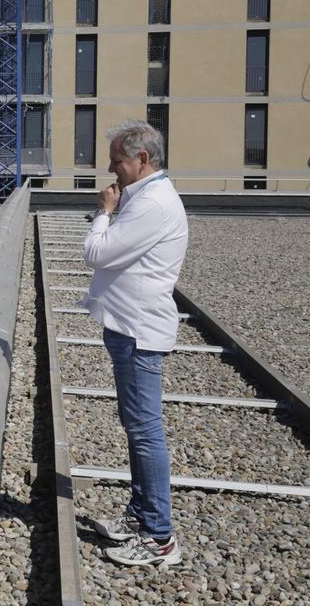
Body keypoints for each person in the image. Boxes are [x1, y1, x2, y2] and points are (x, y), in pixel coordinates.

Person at [81, 120, 187, 568]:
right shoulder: (144, 197)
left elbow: (97, 253)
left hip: (139, 330)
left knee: (145, 431)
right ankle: (141, 515)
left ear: (143, 159)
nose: (110, 168)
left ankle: (159, 536)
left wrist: (105, 211)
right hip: (129, 325)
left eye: (118, 161)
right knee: (136, 427)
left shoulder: (154, 203)